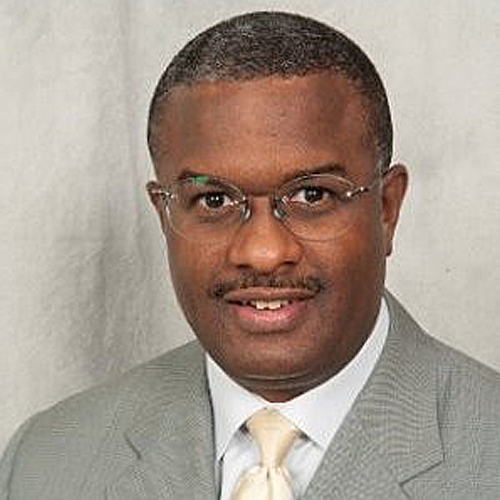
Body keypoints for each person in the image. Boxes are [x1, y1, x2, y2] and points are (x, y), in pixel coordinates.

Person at [1, 11, 499, 500]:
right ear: (164, 215)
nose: (263, 253)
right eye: (214, 199)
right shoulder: (45, 462)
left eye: (312, 195)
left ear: (386, 209)